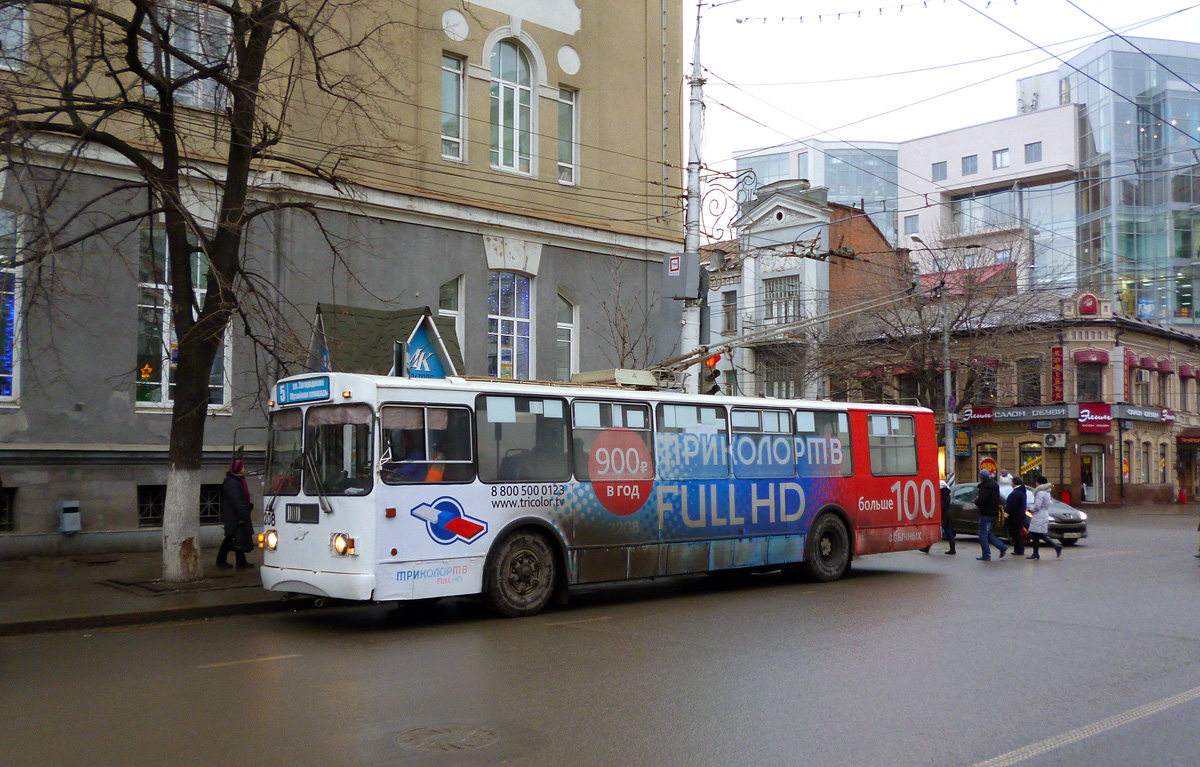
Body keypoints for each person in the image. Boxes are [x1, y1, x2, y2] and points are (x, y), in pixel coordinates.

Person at [217, 458, 254, 569]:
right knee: (231, 537)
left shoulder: (237, 480)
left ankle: (241, 561)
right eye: (242, 467)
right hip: (234, 515)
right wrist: (242, 514)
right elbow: (236, 500)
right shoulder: (232, 482)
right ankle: (221, 560)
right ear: (238, 469)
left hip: (236, 514)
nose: (244, 468)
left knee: (238, 536)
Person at [974, 469, 1007, 561]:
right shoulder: (994, 486)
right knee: (986, 533)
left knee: (982, 535)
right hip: (993, 512)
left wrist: (976, 500)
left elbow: (982, 501)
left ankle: (986, 554)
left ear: (981, 477)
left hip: (986, 513)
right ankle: (1001, 547)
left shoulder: (985, 488)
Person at [1028, 475, 1062, 559]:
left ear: (1039, 483)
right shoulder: (1047, 492)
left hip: (1039, 515)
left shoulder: (1040, 492)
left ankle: (1055, 546)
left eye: (1037, 482)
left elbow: (1037, 506)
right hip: (1044, 514)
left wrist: (1030, 509)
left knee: (1037, 534)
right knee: (1036, 534)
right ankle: (1036, 553)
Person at [920, 479, 957, 555]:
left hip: (942, 516)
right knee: (946, 532)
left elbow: (941, 507)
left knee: (938, 532)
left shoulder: (942, 496)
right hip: (946, 516)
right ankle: (952, 548)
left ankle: (927, 548)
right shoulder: (947, 495)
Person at [1003, 475, 1028, 556]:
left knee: (1015, 533)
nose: (1011, 483)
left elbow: (1011, 505)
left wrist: (1006, 514)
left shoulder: (1016, 493)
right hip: (1019, 515)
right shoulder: (1022, 492)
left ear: (1014, 483)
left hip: (1015, 516)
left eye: (1011, 482)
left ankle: (1019, 550)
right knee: (1017, 533)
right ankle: (1019, 549)